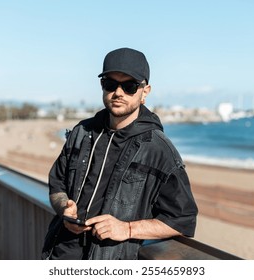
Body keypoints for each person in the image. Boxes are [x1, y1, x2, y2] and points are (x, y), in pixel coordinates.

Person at [41, 47, 198, 260]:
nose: (118, 92)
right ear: (102, 85)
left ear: (145, 91)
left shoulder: (159, 150)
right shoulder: (82, 132)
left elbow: (183, 219)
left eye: (130, 86)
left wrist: (127, 229)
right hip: (58, 255)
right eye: (110, 83)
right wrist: (64, 208)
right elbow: (57, 185)